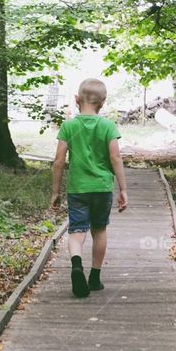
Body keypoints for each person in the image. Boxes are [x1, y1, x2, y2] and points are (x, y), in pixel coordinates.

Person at [50, 78, 129, 297]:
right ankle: (94, 278)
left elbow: (58, 161)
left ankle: (76, 265)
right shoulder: (108, 126)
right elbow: (116, 157)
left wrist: (55, 191)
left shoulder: (69, 126)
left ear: (76, 100)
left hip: (78, 189)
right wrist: (123, 189)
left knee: (77, 231)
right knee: (99, 230)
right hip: (102, 188)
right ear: (102, 103)